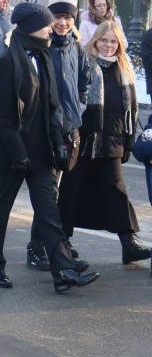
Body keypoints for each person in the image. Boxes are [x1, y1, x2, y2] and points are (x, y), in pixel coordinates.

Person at [0, 1, 100, 293]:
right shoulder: (6, 64)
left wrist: (58, 142)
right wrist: (19, 154)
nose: (52, 28)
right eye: (46, 24)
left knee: (49, 211)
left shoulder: (43, 56)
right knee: (1, 210)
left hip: (40, 151)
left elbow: (52, 107)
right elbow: (4, 119)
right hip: (12, 152)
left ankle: (63, 272)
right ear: (30, 27)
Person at [57, 20, 150, 264]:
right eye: (104, 40)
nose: (108, 45)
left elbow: (130, 108)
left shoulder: (124, 66)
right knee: (71, 191)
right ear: (95, 39)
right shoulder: (84, 63)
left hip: (112, 141)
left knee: (117, 191)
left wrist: (128, 140)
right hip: (84, 140)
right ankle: (61, 243)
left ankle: (128, 244)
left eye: (113, 41)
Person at [26, 0, 89, 270]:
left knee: (61, 191)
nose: (62, 22)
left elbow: (82, 83)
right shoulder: (39, 48)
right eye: (57, 17)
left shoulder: (76, 47)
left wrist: (78, 111)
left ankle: (56, 242)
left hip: (71, 130)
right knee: (47, 191)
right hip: (47, 131)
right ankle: (37, 246)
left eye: (67, 17)